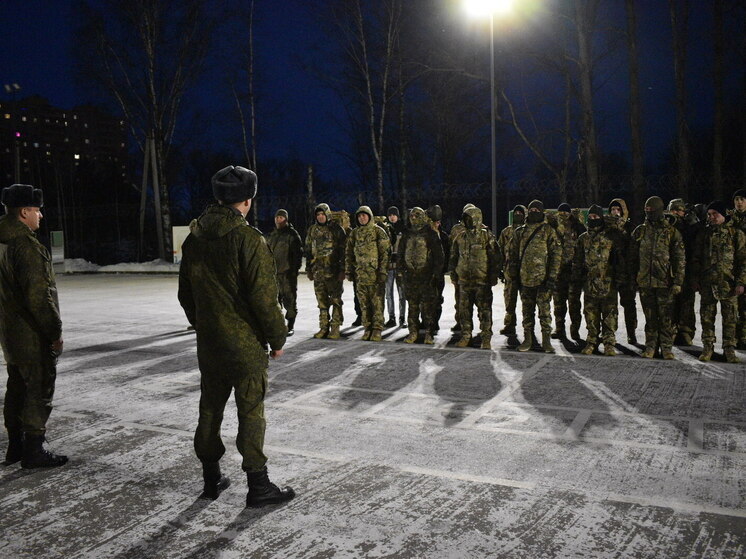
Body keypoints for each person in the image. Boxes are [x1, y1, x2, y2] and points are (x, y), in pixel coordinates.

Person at [178, 165, 294, 507]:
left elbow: (186, 295)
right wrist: (278, 338)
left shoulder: (193, 239)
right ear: (248, 199)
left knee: (210, 410)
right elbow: (263, 297)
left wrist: (205, 324)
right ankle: (258, 486)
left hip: (210, 345)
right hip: (244, 347)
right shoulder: (248, 239)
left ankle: (211, 479)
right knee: (251, 413)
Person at [0, 184, 66, 469]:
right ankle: (34, 450)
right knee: (38, 387)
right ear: (24, 211)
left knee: (16, 385)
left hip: (8, 329)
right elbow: (39, 296)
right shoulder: (24, 245)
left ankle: (15, 446)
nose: (40, 216)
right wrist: (54, 332)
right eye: (37, 210)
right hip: (30, 331)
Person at [629, 196, 685, 360]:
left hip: (665, 282)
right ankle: (650, 346)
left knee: (666, 318)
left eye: (651, 211)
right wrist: (633, 279)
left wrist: (678, 282)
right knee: (650, 318)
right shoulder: (640, 231)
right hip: (645, 282)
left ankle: (666, 348)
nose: (649, 214)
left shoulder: (671, 232)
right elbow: (632, 259)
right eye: (646, 211)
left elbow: (680, 259)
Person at [691, 201, 746, 363]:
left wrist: (741, 282)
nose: (712, 217)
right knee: (707, 317)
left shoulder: (736, 234)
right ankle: (708, 347)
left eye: (715, 214)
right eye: (709, 214)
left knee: (730, 318)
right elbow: (696, 259)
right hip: (707, 283)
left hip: (728, 283)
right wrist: (695, 278)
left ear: (724, 215)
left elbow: (743, 261)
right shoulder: (704, 234)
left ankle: (729, 349)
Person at [508, 200, 561, 353]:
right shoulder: (520, 231)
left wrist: (551, 277)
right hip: (525, 280)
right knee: (527, 312)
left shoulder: (548, 231)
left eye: (537, 209)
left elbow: (556, 255)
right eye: (531, 209)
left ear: (542, 211)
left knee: (545, 312)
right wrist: (514, 276)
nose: (534, 211)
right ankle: (528, 339)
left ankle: (546, 341)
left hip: (543, 280)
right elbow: (513, 256)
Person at [573, 205, 626, 356]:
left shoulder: (611, 236)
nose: (593, 219)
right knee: (590, 315)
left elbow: (619, 259)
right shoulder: (583, 238)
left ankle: (609, 344)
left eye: (596, 217)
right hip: (590, 284)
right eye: (591, 217)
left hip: (608, 283)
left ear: (601, 218)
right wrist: (577, 279)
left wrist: (620, 278)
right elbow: (577, 261)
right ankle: (592, 342)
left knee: (610, 315)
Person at [449, 205, 498, 349]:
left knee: (485, 310)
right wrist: (453, 274)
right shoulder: (460, 237)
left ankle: (486, 338)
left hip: (482, 280)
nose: (468, 221)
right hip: (464, 281)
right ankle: (466, 336)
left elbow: (495, 257)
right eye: (466, 218)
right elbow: (454, 257)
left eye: (470, 218)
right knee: (464, 310)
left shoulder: (486, 236)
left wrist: (493, 275)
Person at [397, 207, 444, 344]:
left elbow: (438, 256)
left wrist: (436, 274)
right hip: (410, 277)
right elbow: (400, 253)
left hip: (426, 277)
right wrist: (400, 272)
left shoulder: (430, 233)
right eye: (411, 216)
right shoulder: (407, 234)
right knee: (412, 307)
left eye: (416, 216)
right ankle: (413, 332)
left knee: (428, 307)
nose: (413, 218)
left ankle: (429, 333)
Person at [345, 206, 390, 341]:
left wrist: (382, 271)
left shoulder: (378, 232)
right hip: (360, 275)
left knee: (377, 303)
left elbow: (385, 253)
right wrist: (349, 270)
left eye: (364, 215)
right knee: (364, 304)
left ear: (369, 216)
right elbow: (348, 253)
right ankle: (367, 327)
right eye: (359, 216)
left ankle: (377, 329)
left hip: (375, 275)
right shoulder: (354, 233)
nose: (362, 218)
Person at [305, 203, 347, 339]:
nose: (320, 217)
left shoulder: (336, 229)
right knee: (321, 302)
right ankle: (323, 327)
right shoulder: (312, 230)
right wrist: (309, 269)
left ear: (327, 214)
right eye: (318, 215)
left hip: (333, 272)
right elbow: (308, 251)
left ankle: (335, 327)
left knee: (335, 300)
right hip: (318, 273)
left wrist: (342, 269)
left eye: (322, 214)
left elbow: (343, 251)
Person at [667, 198, 698, 345]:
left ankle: (686, 331)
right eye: (674, 210)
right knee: (671, 303)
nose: (676, 213)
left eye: (679, 210)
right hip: (670, 271)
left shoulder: (689, 228)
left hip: (687, 270)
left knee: (687, 302)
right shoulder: (667, 226)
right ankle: (672, 330)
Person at [552, 203, 586, 340]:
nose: (563, 215)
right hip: (559, 271)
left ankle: (575, 330)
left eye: (566, 212)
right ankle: (559, 329)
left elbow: (584, 236)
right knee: (559, 303)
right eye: (561, 212)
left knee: (574, 303)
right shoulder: (554, 227)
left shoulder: (576, 226)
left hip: (573, 271)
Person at [267, 209, 302, 336]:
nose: (278, 219)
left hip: (287, 274)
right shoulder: (273, 235)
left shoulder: (292, 235)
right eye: (277, 217)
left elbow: (297, 255)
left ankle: (290, 325)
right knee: (274, 301)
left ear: (286, 219)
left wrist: (293, 271)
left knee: (290, 300)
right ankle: (278, 325)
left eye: (281, 217)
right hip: (273, 274)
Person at [607, 198, 638, 343]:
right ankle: (609, 333)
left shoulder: (630, 228)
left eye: (618, 209)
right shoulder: (606, 229)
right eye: (613, 209)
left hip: (626, 273)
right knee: (609, 306)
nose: (615, 212)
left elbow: (635, 251)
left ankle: (631, 333)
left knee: (629, 304)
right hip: (610, 272)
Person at [496, 205, 526, 343]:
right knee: (509, 300)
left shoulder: (528, 232)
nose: (518, 215)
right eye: (516, 212)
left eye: (521, 213)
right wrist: (500, 269)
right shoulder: (506, 232)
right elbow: (500, 250)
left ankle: (528, 328)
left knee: (527, 303)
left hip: (525, 273)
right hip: (510, 272)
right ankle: (509, 325)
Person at [427, 205, 450, 332]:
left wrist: (442, 270)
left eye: (437, 222)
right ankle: (426, 321)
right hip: (426, 273)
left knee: (437, 299)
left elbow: (447, 254)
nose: (435, 224)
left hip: (438, 274)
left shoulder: (444, 237)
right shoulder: (425, 236)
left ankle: (435, 321)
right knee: (425, 299)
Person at [384, 206, 406, 328]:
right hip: (388, 266)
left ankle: (402, 317)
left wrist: (398, 257)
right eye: (390, 215)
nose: (392, 217)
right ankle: (391, 317)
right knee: (388, 293)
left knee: (402, 293)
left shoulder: (403, 228)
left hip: (400, 266)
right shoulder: (384, 229)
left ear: (398, 216)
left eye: (394, 214)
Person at [731, 189, 746, 349]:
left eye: (742, 199)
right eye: (737, 199)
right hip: (732, 267)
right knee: (733, 307)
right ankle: (735, 339)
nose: (739, 202)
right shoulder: (730, 220)